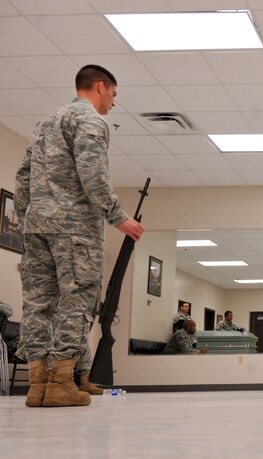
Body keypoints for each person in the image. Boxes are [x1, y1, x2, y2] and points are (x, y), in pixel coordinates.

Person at [14, 65, 144, 408]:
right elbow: (93, 173)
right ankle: (60, 384)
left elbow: (22, 177)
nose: (113, 103)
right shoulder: (89, 121)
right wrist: (119, 217)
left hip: (37, 225)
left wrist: (30, 217)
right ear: (100, 87)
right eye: (114, 95)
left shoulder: (44, 125)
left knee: (38, 304)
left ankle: (36, 385)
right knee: (76, 301)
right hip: (74, 230)